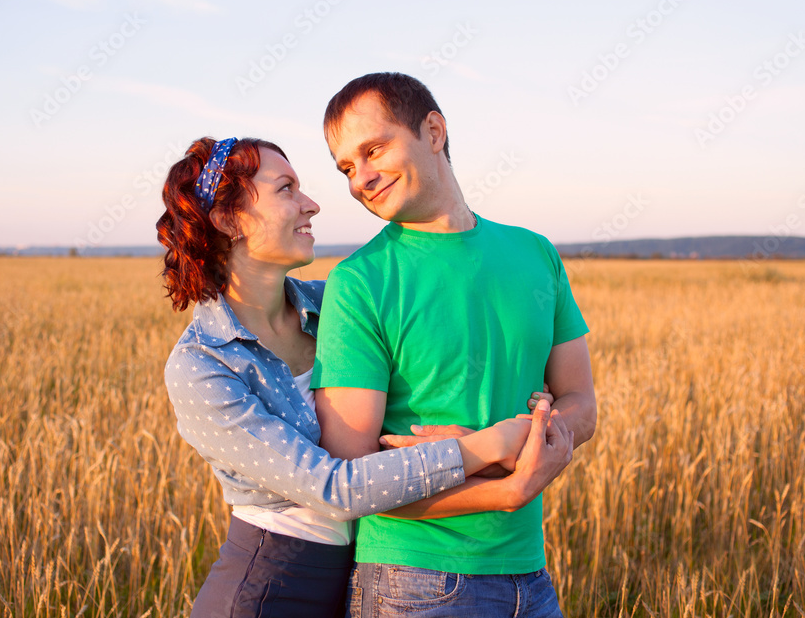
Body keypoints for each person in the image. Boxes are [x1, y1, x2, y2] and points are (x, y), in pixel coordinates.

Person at [157, 135, 569, 618]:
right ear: (228, 219)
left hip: (362, 578)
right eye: (286, 189)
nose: (311, 204)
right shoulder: (202, 364)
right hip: (267, 588)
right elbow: (334, 488)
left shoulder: (333, 303)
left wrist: (527, 401)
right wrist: (490, 448)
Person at [311, 72, 597, 617]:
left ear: (434, 131)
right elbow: (354, 475)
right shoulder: (359, 282)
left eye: (374, 150)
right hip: (413, 582)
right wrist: (506, 474)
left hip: (531, 576)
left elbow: (581, 404)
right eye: (347, 167)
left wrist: (523, 443)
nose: (361, 179)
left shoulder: (536, 255)